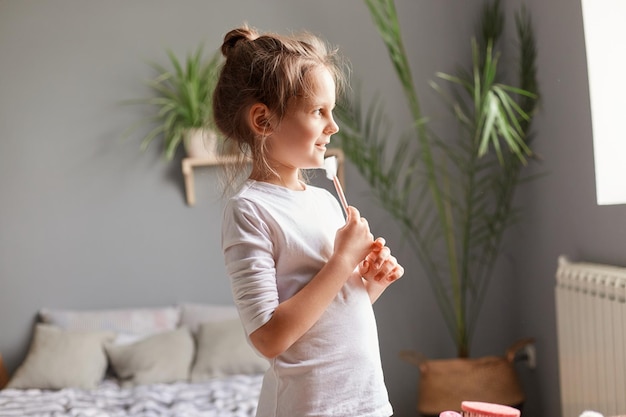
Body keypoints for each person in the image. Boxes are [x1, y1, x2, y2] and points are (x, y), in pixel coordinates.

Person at [214, 24, 404, 417]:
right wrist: (339, 263)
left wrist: (368, 284)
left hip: (367, 402)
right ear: (263, 120)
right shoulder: (250, 210)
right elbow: (269, 338)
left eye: (332, 112)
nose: (332, 126)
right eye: (318, 111)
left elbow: (325, 315)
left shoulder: (323, 201)